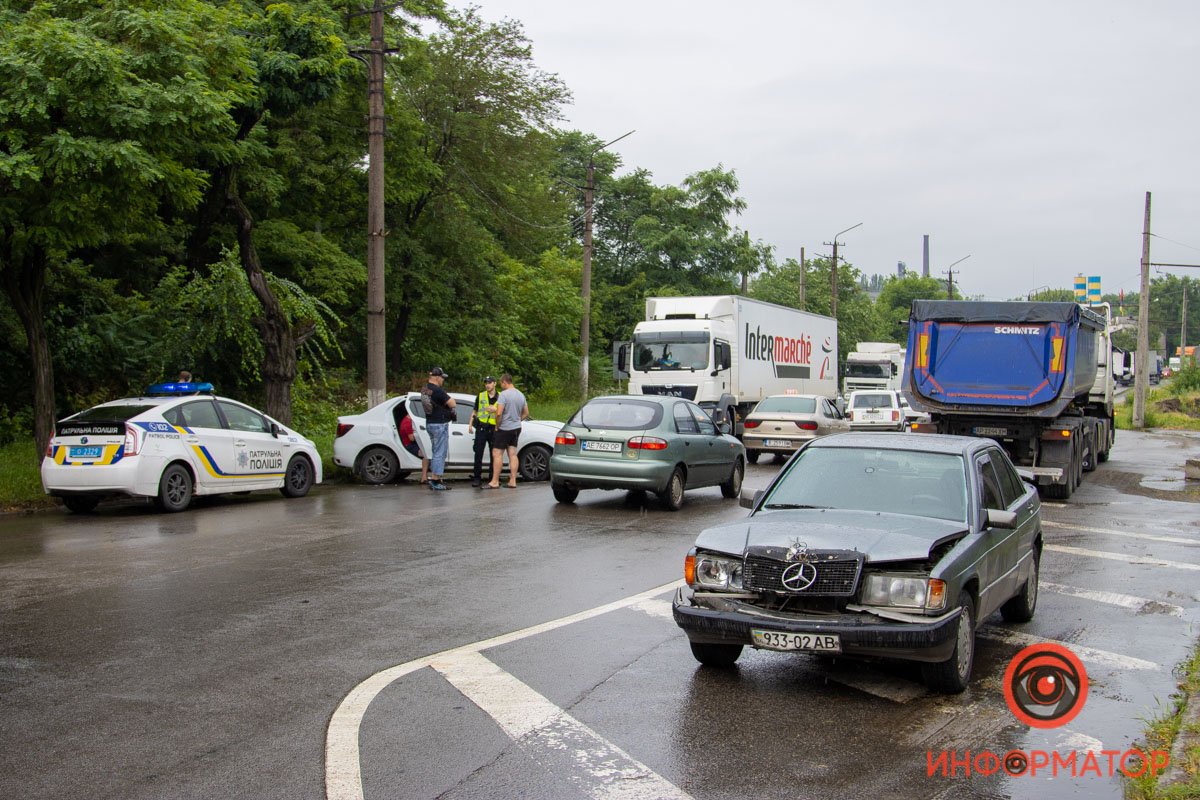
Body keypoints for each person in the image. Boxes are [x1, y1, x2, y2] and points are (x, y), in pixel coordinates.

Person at [486, 374, 528, 489]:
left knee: (497, 453)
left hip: (504, 428)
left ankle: (494, 481)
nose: (501, 385)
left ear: (505, 382)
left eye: (501, 383)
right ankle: (513, 480)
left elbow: (499, 413)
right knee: (512, 454)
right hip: (516, 428)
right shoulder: (520, 395)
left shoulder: (504, 395)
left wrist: (497, 426)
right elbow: (526, 413)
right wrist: (517, 420)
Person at [422, 367, 456, 491]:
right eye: (442, 377)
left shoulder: (425, 389)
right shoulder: (437, 390)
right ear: (436, 377)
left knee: (436, 451)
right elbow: (452, 403)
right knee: (439, 453)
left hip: (430, 422)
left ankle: (437, 478)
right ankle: (435, 480)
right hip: (439, 424)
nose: (443, 380)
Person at [467, 376, 499, 488]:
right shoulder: (480, 395)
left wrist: (496, 410)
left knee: (494, 454)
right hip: (481, 428)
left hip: (494, 428)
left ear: (494, 383)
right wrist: (470, 424)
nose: (487, 385)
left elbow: (502, 412)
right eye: (486, 383)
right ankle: (477, 478)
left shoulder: (500, 397)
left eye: (489, 382)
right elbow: (475, 410)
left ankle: (492, 478)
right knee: (478, 453)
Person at [397, 411, 428, 483]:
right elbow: (412, 438)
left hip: (413, 444)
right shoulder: (407, 423)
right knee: (426, 455)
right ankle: (424, 477)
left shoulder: (407, 420)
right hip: (409, 445)